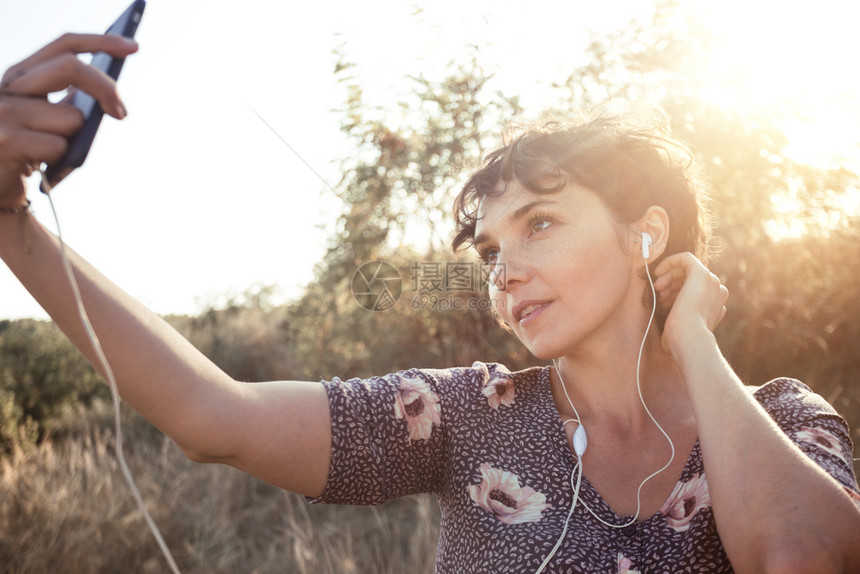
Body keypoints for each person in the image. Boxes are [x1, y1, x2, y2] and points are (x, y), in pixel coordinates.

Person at [1, 33, 858, 574]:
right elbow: (209, 417)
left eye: (542, 223)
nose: (505, 269)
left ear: (646, 234)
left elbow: (802, 558)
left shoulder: (785, 423)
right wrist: (13, 226)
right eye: (490, 251)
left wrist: (697, 341)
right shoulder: (460, 416)